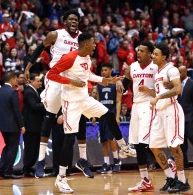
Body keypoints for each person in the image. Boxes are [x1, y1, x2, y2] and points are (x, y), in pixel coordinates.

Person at [47, 32, 134, 193]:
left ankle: (124, 147)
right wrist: (71, 81)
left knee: (108, 115)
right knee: (69, 139)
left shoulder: (86, 58)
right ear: (86, 44)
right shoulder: (69, 57)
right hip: (71, 103)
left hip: (84, 99)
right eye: (93, 43)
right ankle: (61, 178)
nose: (96, 46)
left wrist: (105, 80)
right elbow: (51, 74)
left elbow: (87, 75)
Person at [24, 10, 94, 179]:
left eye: (76, 19)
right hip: (56, 77)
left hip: (74, 78)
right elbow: (41, 48)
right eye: (71, 19)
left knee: (82, 116)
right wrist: (28, 67)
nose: (74, 22)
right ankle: (41, 161)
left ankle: (83, 160)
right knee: (49, 116)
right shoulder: (56, 35)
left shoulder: (82, 38)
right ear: (64, 21)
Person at [149, 43, 190, 193]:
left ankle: (183, 181)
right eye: (153, 53)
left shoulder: (171, 69)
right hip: (159, 112)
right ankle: (171, 177)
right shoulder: (158, 72)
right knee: (153, 146)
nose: (153, 56)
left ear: (164, 57)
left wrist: (158, 97)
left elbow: (178, 89)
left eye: (156, 54)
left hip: (171, 111)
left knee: (174, 148)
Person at [121, 41, 157, 192]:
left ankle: (170, 167)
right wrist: (119, 84)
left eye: (142, 51)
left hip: (149, 105)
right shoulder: (132, 67)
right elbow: (124, 83)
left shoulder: (156, 68)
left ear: (150, 53)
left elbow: (160, 93)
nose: (138, 53)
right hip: (135, 107)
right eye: (138, 51)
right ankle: (145, 180)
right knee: (137, 144)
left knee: (145, 142)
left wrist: (149, 90)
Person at [0, 71, 25, 179]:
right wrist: (21, 125)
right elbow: (16, 111)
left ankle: (1, 170)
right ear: (11, 79)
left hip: (2, 124)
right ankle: (8, 171)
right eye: (15, 79)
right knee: (12, 148)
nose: (16, 81)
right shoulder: (13, 92)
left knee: (7, 147)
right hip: (12, 125)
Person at [96, 62, 122, 174]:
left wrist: (117, 116)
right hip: (101, 115)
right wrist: (94, 116)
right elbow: (97, 101)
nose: (103, 72)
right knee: (104, 141)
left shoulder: (116, 84)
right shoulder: (98, 85)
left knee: (111, 139)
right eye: (102, 70)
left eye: (106, 70)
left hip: (111, 115)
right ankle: (106, 164)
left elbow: (118, 101)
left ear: (111, 70)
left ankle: (116, 161)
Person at [22, 73, 45, 177]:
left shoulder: (35, 91)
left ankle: (29, 167)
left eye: (40, 81)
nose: (40, 83)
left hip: (36, 125)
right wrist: (45, 103)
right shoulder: (28, 91)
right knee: (30, 148)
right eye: (38, 81)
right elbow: (34, 106)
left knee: (34, 148)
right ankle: (27, 168)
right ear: (31, 81)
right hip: (31, 126)